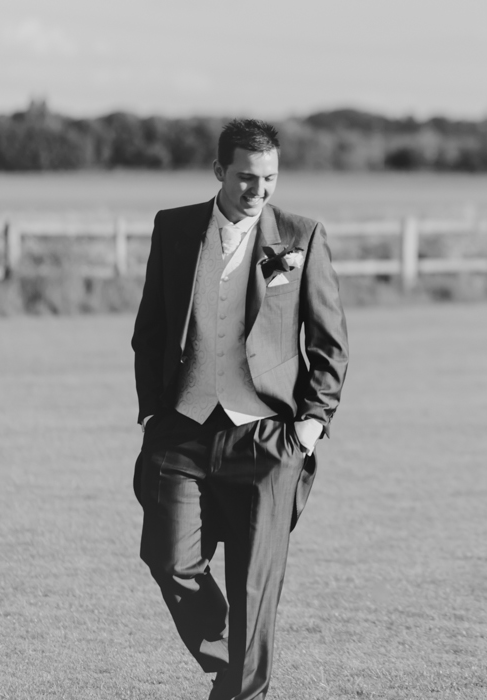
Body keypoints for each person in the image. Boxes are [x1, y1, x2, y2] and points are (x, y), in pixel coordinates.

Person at [130, 118, 349, 700]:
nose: (259, 190)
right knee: (168, 558)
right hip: (184, 428)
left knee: (255, 588)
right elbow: (150, 329)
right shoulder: (174, 230)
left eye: (270, 177)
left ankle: (241, 686)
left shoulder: (302, 236)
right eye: (247, 177)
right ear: (220, 171)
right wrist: (154, 412)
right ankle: (238, 660)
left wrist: (310, 424)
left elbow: (330, 343)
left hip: (267, 436)